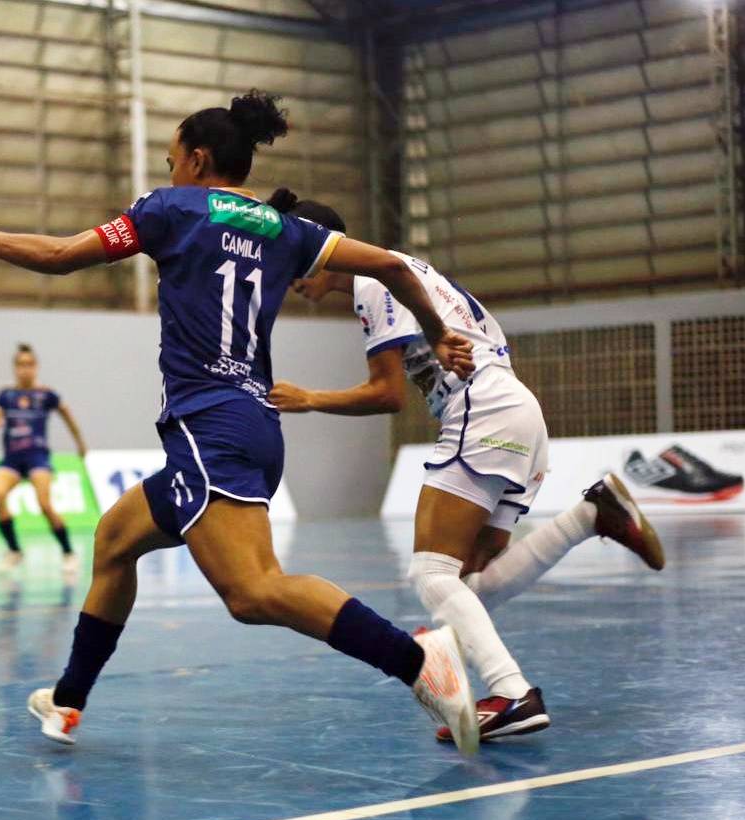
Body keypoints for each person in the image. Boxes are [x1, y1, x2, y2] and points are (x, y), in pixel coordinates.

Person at [0, 89, 485, 753]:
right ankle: (67, 701)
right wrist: (441, 332)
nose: (169, 167)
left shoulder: (171, 209)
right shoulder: (288, 229)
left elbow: (60, 255)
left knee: (252, 592)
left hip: (209, 422)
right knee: (116, 539)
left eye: (172, 156)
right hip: (250, 425)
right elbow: (390, 264)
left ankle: (417, 661)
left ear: (198, 158)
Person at [269, 195, 667, 742]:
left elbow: (386, 395)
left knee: (431, 574)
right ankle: (589, 517)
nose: (284, 275)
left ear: (317, 247)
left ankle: (512, 693)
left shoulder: (372, 281)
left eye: (288, 257)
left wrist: (309, 399)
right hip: (518, 410)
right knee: (470, 579)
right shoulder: (414, 272)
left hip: (481, 411)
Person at [0, 343, 88, 574]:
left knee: (44, 504)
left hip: (37, 457)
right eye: (20, 365)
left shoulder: (46, 395)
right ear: (14, 368)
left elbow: (68, 417)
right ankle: (14, 550)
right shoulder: (6, 395)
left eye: (29, 365)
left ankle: (68, 552)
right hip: (11, 459)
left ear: (36, 367)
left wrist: (80, 443)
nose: (25, 369)